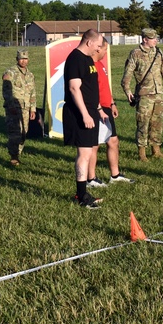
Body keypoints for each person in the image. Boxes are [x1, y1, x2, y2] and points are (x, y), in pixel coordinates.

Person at [64, 30, 106, 209]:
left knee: (89, 152)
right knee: (84, 154)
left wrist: (97, 109)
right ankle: (81, 196)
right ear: (89, 42)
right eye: (98, 45)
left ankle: (83, 192)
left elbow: (90, 88)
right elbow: (74, 88)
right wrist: (85, 114)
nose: (99, 48)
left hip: (91, 112)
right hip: (80, 114)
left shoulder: (89, 59)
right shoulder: (75, 59)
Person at [121, 28, 163, 161]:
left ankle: (156, 150)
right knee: (143, 124)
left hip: (159, 94)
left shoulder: (159, 52)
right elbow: (127, 75)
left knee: (157, 123)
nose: (156, 40)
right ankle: (142, 153)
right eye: (153, 38)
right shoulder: (135, 53)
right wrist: (127, 91)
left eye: (156, 38)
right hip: (144, 95)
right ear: (145, 39)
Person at [87, 38, 133, 188]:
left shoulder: (101, 65)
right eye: (105, 49)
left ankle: (115, 175)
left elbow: (105, 87)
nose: (106, 53)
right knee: (94, 145)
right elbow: (90, 92)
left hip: (107, 107)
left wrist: (112, 103)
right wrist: (99, 108)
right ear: (98, 48)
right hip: (96, 109)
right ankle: (91, 179)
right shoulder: (90, 66)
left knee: (113, 141)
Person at [2, 49, 36, 166]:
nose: (24, 61)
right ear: (17, 59)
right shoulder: (10, 72)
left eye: (26, 59)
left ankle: (18, 153)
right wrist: (10, 105)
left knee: (24, 132)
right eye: (21, 58)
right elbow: (6, 91)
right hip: (14, 108)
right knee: (14, 132)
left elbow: (33, 93)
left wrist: (33, 109)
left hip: (26, 109)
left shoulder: (30, 75)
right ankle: (13, 156)